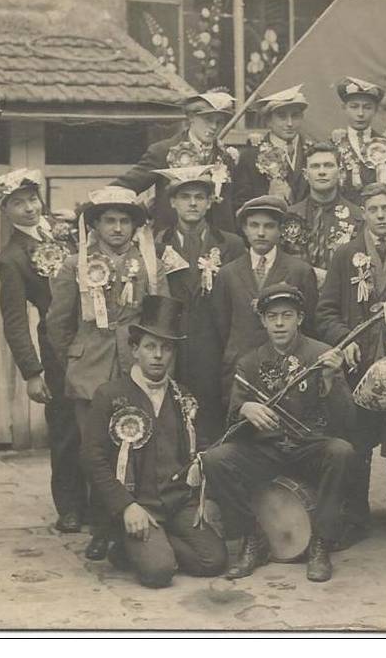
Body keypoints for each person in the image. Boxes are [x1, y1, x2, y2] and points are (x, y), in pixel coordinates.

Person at [201, 283, 356, 582]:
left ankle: (321, 543)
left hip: (309, 447)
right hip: (266, 450)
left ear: (300, 317)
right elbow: (232, 423)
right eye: (272, 317)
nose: (280, 323)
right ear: (263, 321)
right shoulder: (249, 362)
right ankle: (251, 538)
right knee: (215, 459)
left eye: (287, 315)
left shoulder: (322, 354)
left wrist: (331, 378)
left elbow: (347, 422)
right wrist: (245, 408)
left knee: (342, 452)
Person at [47, 186, 169, 561]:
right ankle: (101, 528)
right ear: (95, 225)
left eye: (124, 221)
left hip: (135, 369)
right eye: (109, 221)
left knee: (134, 446)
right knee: (95, 450)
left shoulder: (149, 264)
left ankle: (130, 525)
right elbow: (57, 323)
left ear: (134, 226)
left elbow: (159, 322)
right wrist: (76, 356)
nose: (117, 228)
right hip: (91, 372)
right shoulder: (75, 265)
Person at [81, 295, 227, 587]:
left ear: (173, 353)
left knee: (214, 561)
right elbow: (92, 459)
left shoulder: (184, 397)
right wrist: (125, 506)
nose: (158, 355)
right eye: (150, 347)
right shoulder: (110, 395)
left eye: (166, 347)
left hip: (177, 503)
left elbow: (201, 449)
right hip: (138, 504)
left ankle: (149, 545)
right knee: (159, 572)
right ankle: (130, 542)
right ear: (134, 350)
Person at [317, 182, 386, 544]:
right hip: (359, 365)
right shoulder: (345, 254)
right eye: (374, 209)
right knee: (358, 440)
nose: (381, 216)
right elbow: (325, 312)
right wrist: (344, 339)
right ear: (363, 213)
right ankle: (355, 514)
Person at [0, 168, 82, 533]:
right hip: (57, 346)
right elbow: (14, 320)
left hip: (94, 335)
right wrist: (31, 372)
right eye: (18, 203)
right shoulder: (11, 258)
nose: (29, 208)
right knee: (64, 428)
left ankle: (100, 502)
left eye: (32, 199)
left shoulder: (64, 230)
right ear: (5, 210)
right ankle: (71, 508)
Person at [153, 166, 246, 444]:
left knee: (212, 428)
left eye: (199, 197)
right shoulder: (158, 245)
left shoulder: (231, 244)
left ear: (209, 202)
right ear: (173, 202)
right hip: (173, 349)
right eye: (185, 197)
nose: (192, 203)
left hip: (215, 350)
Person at [211, 196, 319, 400]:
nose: (261, 233)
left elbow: (310, 325)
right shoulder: (228, 273)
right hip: (240, 372)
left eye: (269, 226)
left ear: (280, 230)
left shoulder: (300, 271)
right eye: (254, 225)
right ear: (244, 228)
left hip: (288, 372)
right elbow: (221, 326)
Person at [112, 89, 240, 232]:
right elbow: (122, 188)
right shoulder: (163, 151)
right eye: (208, 120)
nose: (214, 127)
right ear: (191, 117)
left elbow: (232, 203)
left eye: (219, 121)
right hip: (171, 241)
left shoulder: (227, 156)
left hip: (218, 243)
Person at [284, 142, 364, 281]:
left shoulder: (357, 218)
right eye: (315, 166)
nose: (322, 171)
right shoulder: (289, 216)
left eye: (328, 165)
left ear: (340, 172)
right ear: (305, 174)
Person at [331, 76, 386, 204]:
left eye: (367, 107)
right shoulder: (332, 145)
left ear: (375, 109)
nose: (360, 113)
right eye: (354, 107)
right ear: (344, 108)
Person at [235, 85, 313, 206]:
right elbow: (240, 203)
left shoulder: (313, 152)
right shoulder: (250, 156)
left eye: (295, 116)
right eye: (282, 116)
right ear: (268, 121)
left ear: (302, 117)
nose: (290, 123)